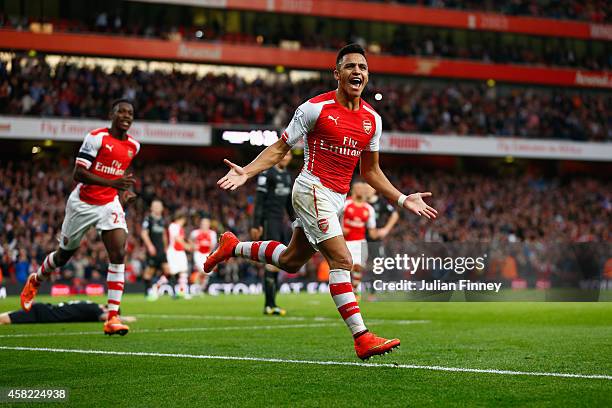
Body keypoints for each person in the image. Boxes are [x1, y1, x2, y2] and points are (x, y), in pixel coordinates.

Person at [206, 44, 437, 360]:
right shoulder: (314, 108)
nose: (357, 71)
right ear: (337, 73)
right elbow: (280, 148)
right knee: (342, 261)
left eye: (363, 67)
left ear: (367, 76)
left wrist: (400, 198)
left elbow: (370, 171)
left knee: (290, 261)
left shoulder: (372, 120)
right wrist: (246, 172)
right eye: (350, 66)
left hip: (336, 198)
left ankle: (232, 247)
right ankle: (361, 336)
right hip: (311, 188)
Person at [20, 99, 138, 336]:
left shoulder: (134, 146)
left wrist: (120, 193)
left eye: (130, 113)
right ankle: (36, 279)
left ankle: (112, 317)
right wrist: (113, 183)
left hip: (109, 203)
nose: (126, 115)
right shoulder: (95, 137)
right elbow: (79, 173)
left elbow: (117, 171)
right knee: (64, 256)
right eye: (121, 111)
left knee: (118, 252)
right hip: (82, 204)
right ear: (112, 115)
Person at [251, 150, 294, 316]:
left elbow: (289, 203)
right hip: (269, 221)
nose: (286, 158)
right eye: (284, 155)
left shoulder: (287, 176)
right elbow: (259, 201)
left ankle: (272, 304)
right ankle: (269, 305)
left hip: (281, 223)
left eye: (289, 155)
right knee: (272, 262)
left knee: (278, 262)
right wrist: (257, 224)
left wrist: (295, 221)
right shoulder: (267, 173)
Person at [341, 182, 379, 297]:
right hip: (345, 241)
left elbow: (372, 229)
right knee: (346, 267)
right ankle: (346, 291)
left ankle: (355, 292)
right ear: (353, 189)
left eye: (363, 189)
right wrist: (340, 228)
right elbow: (334, 216)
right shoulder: (345, 204)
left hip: (360, 241)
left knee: (358, 267)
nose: (361, 190)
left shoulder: (369, 209)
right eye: (359, 188)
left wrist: (382, 231)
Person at [0, 301, 136, 327]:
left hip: (43, 309)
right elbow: (105, 318)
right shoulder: (95, 309)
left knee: (5, 317)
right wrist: (123, 319)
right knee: (4, 320)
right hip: (42, 314)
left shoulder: (90, 304)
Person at [141, 199, 170, 299]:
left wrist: (166, 247)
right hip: (153, 250)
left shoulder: (162, 220)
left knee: (168, 271)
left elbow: (164, 235)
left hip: (161, 250)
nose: (158, 208)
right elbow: (144, 234)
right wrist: (149, 246)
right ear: (151, 208)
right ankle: (147, 292)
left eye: (159, 206)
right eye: (155, 206)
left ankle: (156, 286)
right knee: (149, 272)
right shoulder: (148, 219)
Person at [364, 182, 399, 257]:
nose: (367, 191)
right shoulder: (361, 202)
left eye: (369, 189)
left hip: (376, 237)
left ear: (374, 190)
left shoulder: (381, 202)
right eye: (365, 189)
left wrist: (386, 229)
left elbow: (394, 214)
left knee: (378, 261)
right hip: (361, 236)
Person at [166, 211, 192, 298]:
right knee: (170, 273)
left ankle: (183, 291)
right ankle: (155, 289)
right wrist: (186, 246)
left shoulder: (177, 227)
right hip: (174, 252)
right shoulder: (174, 226)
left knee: (183, 271)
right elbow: (177, 239)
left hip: (179, 252)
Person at [189, 216, 217, 289]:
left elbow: (213, 245)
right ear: (200, 224)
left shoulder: (212, 233)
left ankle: (201, 288)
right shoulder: (195, 233)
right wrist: (193, 246)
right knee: (201, 271)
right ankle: (196, 287)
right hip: (198, 254)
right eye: (203, 223)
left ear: (209, 224)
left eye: (206, 223)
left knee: (207, 273)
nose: (205, 225)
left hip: (207, 254)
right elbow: (190, 240)